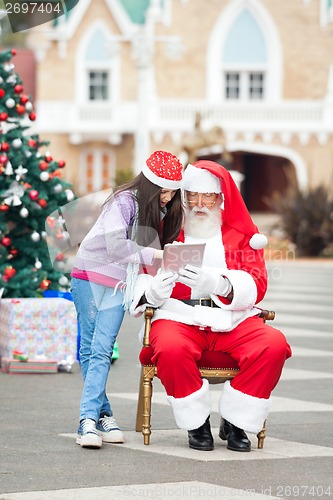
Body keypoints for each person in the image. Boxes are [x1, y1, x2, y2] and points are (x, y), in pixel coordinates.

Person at [130, 160, 292, 452]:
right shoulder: (167, 229)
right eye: (192, 195)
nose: (199, 203)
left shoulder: (242, 236)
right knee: (169, 347)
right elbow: (141, 274)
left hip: (232, 320)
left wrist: (221, 285)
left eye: (208, 196)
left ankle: (237, 420)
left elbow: (258, 283)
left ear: (221, 199)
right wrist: (153, 290)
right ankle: (197, 424)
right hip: (180, 316)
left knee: (273, 344)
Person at [71, 150, 184, 449]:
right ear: (151, 185)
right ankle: (89, 421)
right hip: (89, 276)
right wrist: (161, 255)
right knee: (92, 348)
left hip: (119, 282)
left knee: (102, 348)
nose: (169, 197)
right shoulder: (123, 201)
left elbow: (140, 254)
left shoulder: (156, 211)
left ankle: (99, 415)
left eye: (174, 192)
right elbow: (115, 246)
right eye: (165, 190)